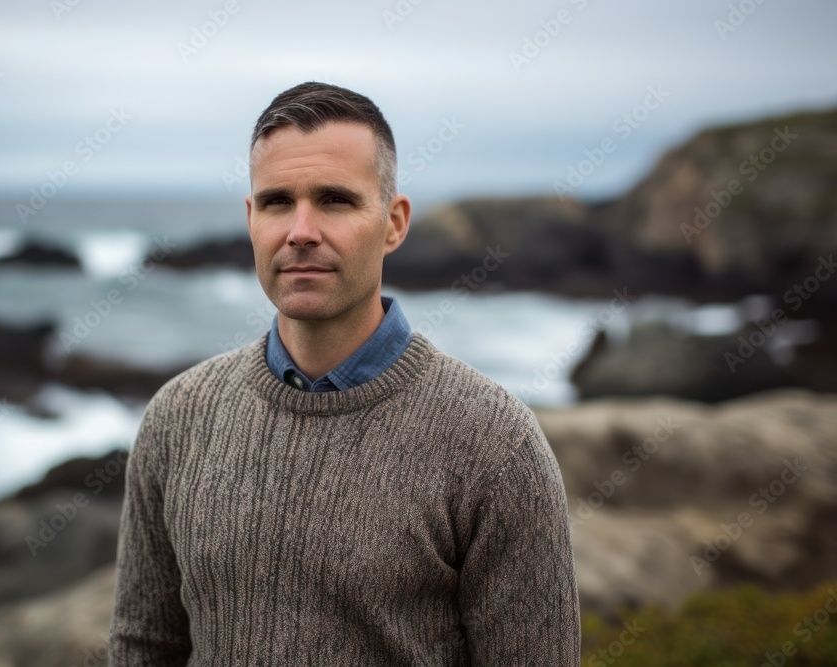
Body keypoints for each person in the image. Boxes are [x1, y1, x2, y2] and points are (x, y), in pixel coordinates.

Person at [108, 81, 580, 665]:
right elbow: (144, 646)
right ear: (251, 219)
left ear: (394, 222)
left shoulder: (494, 443)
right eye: (278, 202)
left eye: (335, 199)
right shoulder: (178, 416)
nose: (301, 231)